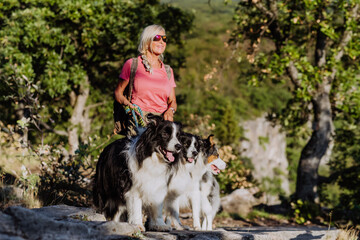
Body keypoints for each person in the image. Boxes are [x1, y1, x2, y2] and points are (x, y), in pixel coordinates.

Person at [114, 24, 177, 136]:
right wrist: (128, 105)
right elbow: (118, 93)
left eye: (164, 39)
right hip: (138, 121)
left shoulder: (168, 71)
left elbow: (172, 101)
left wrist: (170, 111)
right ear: (147, 41)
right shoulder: (132, 64)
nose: (162, 42)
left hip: (162, 123)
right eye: (157, 38)